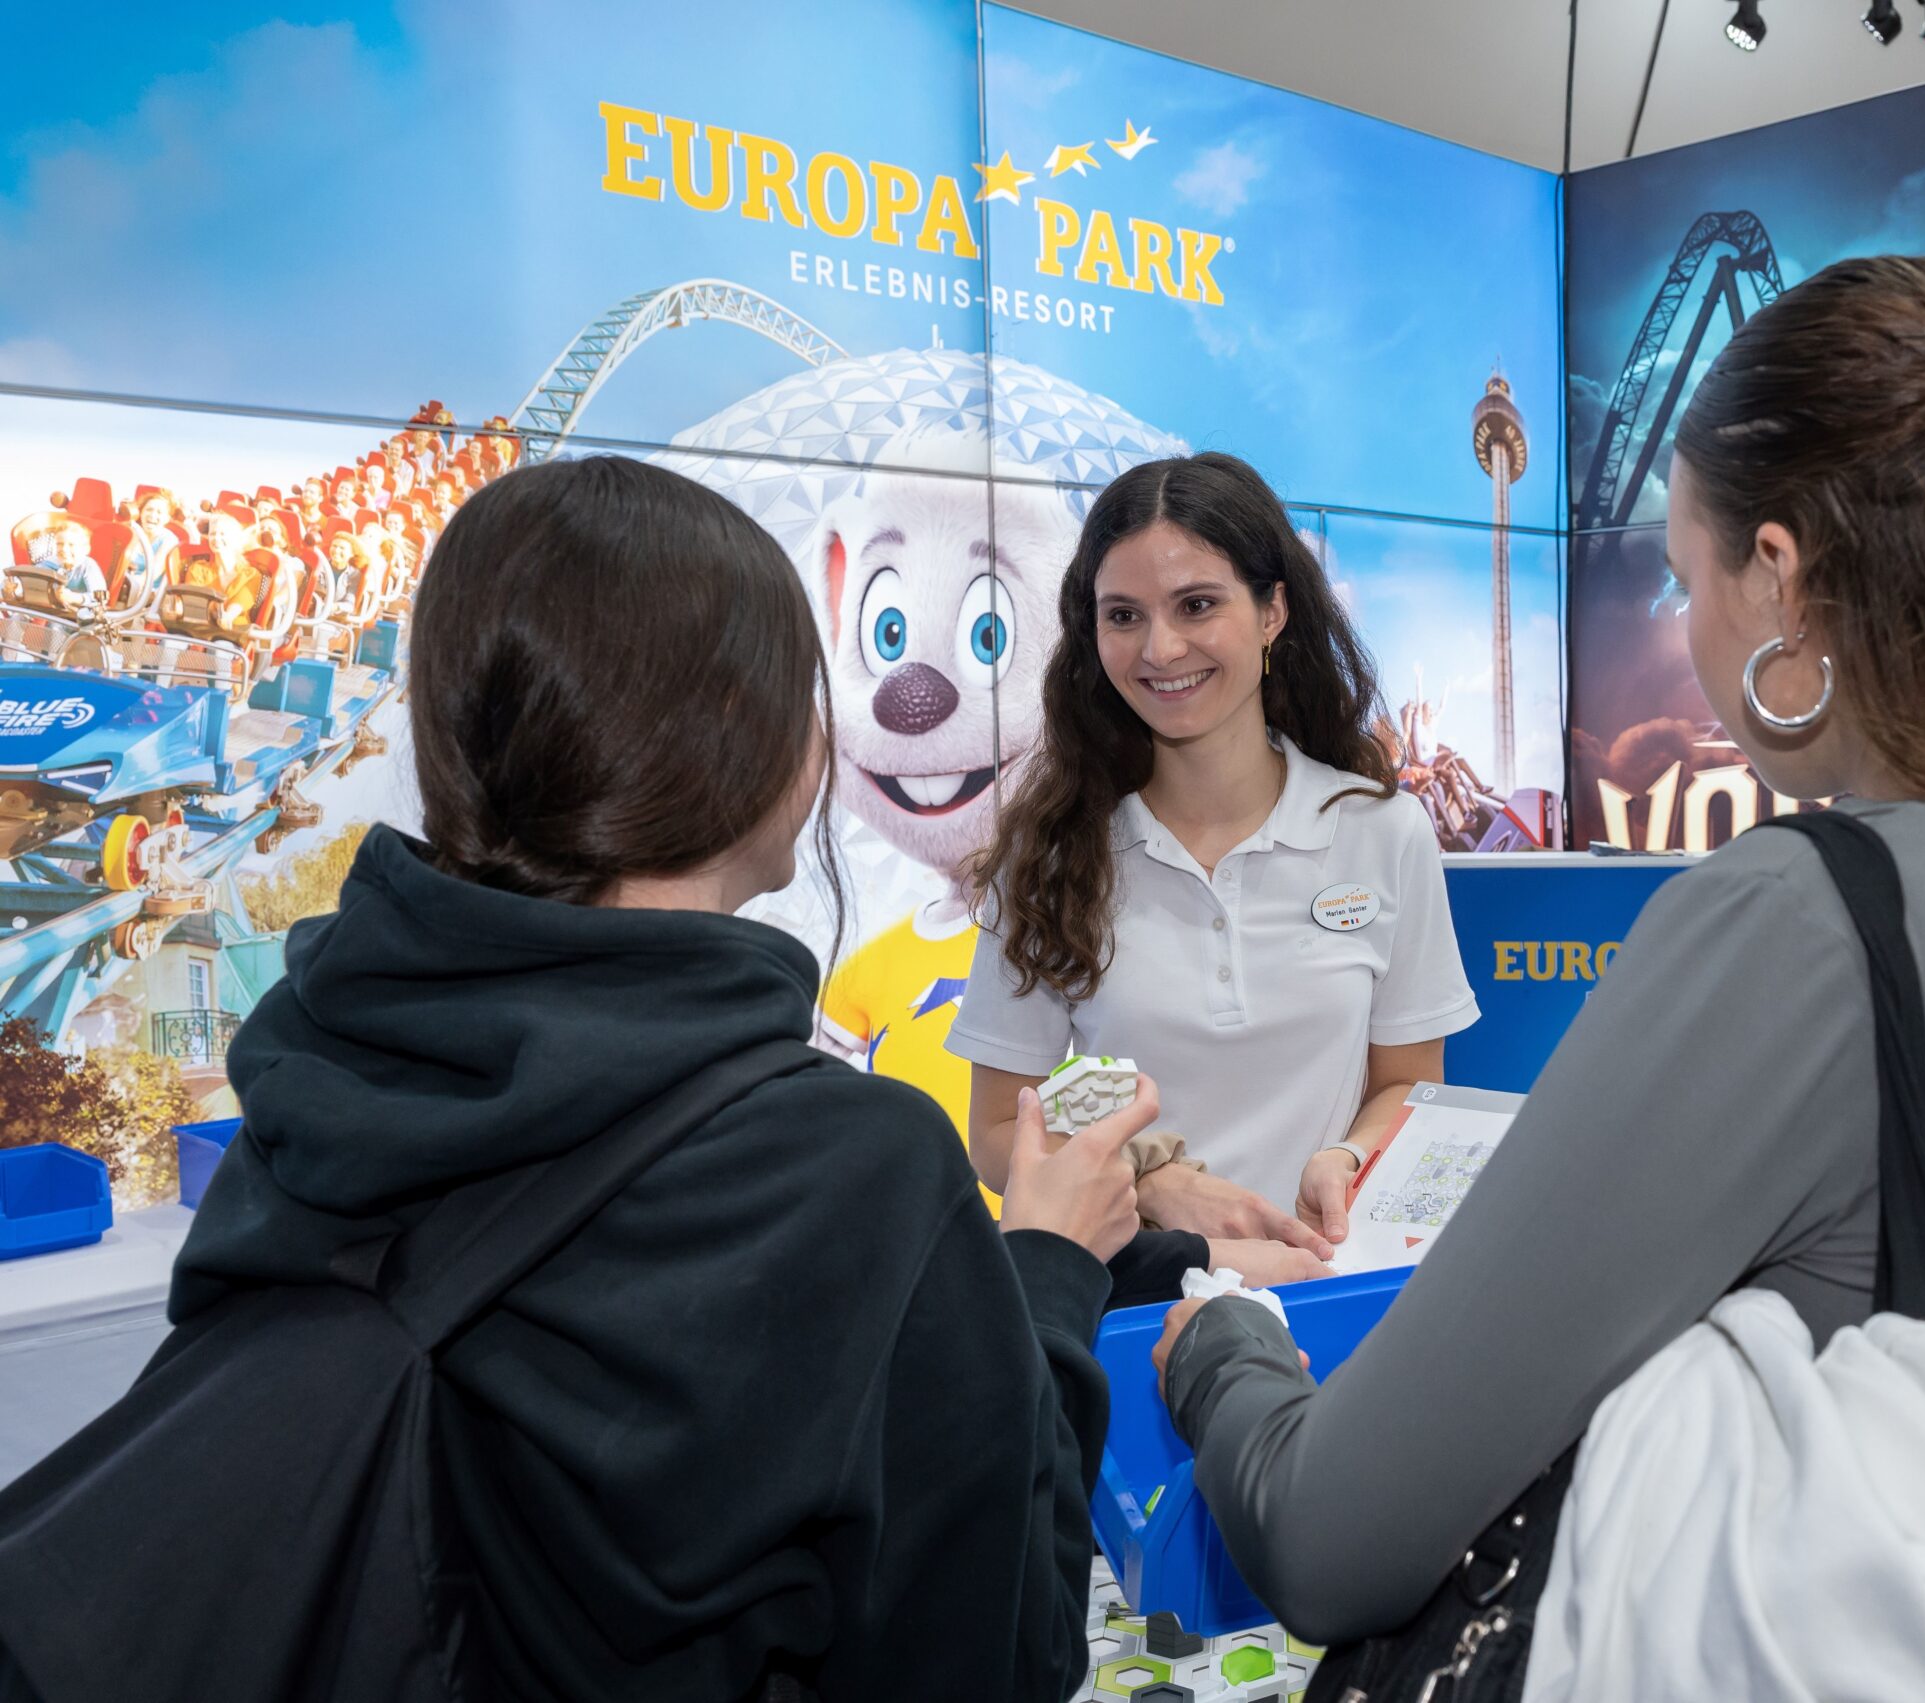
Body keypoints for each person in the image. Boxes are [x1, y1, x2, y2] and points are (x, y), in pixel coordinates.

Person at [1151, 256, 1925, 1645]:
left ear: (1782, 580)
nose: (1687, 623)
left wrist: (1225, 1351)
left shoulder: (1806, 916)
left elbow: (1329, 1531)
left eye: (1682, 573)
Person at [0, 454, 1150, 1702]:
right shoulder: (849, 1171)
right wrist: (1046, 1270)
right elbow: (995, 1654)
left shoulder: (317, 1062)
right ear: (744, 736)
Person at [951, 452, 1479, 1272]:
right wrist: (1152, 1181)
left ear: (1273, 611)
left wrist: (1343, 1160)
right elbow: (993, 1134)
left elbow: (1406, 1084)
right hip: (1130, 1305)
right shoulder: (1051, 854)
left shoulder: (1382, 830)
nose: (1160, 648)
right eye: (1123, 615)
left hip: (1326, 1288)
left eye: (1196, 605)